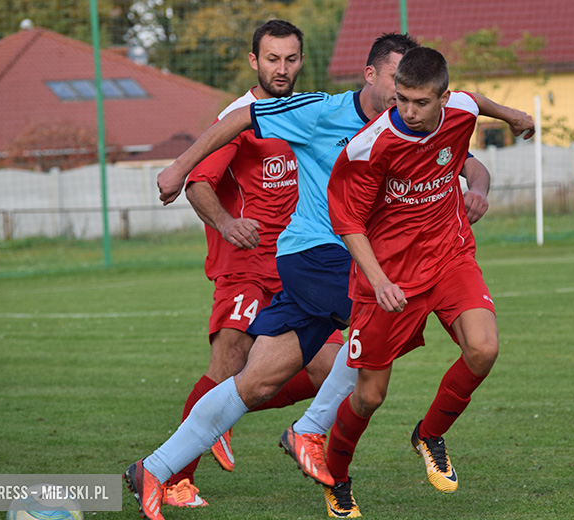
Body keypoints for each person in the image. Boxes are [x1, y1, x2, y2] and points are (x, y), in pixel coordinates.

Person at [124, 32, 533, 520]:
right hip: (318, 252)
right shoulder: (323, 112)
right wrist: (179, 167)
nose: (405, 98)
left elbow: (467, 132)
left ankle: (153, 467)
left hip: (350, 261)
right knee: (383, 317)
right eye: (397, 85)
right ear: (373, 75)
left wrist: (506, 130)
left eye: (415, 91)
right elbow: (240, 118)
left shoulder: (420, 123)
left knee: (254, 382)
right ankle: (311, 429)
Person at [316, 45, 514, 517]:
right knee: (368, 397)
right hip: (389, 281)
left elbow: (477, 101)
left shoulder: (458, 112)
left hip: (449, 257)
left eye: (420, 102)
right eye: (401, 98)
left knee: (484, 349)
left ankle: (429, 433)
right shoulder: (369, 146)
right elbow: (347, 222)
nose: (407, 110)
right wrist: (379, 279)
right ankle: (335, 477)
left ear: (442, 98)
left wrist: (515, 117)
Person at [157, 20, 343, 509]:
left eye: (290, 59)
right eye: (271, 59)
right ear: (253, 61)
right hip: (242, 263)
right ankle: (174, 479)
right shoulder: (239, 118)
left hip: (294, 265)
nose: (281, 69)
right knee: (228, 363)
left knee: (332, 370)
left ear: (301, 61)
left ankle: (227, 413)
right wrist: (226, 224)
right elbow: (198, 182)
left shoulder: (307, 113)